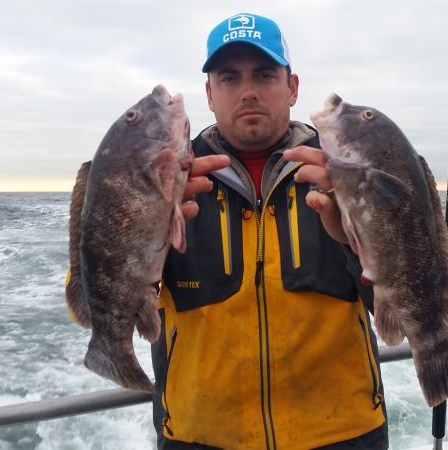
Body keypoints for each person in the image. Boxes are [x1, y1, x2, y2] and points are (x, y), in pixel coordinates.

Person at [151, 12, 388, 450]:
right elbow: (97, 300)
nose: (248, 91)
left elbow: (402, 312)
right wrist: (145, 232)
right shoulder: (165, 181)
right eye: (229, 78)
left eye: (264, 74)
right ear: (209, 94)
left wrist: (355, 242)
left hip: (344, 433)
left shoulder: (348, 173)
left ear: (292, 87)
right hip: (199, 435)